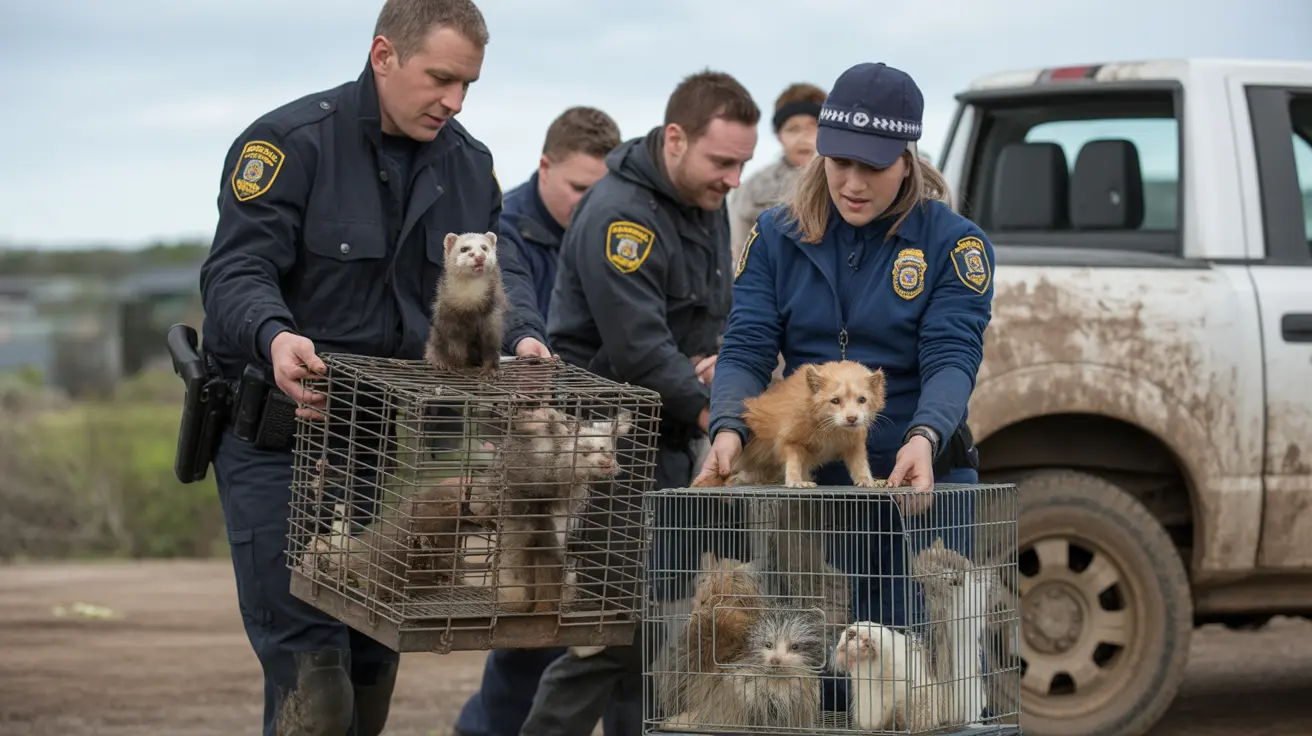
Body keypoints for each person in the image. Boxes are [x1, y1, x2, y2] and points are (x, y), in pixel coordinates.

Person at [197, 2, 550, 733]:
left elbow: (496, 281)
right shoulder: (289, 144)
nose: (454, 101)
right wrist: (274, 335)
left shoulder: (467, 164)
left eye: (468, 86)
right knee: (314, 671)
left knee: (369, 659)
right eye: (442, 79)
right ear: (384, 55)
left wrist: (525, 343)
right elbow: (236, 273)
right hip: (278, 438)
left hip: (379, 445)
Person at [693, 61, 993, 713]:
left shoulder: (954, 245)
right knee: (817, 674)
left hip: (923, 480)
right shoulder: (775, 235)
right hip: (818, 491)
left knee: (916, 677)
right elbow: (746, 344)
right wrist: (729, 428)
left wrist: (924, 433)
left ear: (907, 159)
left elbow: (951, 354)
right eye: (839, 163)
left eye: (874, 166)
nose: (853, 183)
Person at [519, 69, 761, 736]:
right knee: (605, 635)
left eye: (743, 163)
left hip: (672, 440)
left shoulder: (703, 202)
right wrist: (720, 413)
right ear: (676, 139)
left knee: (659, 639)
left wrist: (719, 360)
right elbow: (639, 351)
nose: (734, 180)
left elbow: (716, 311)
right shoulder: (618, 216)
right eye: (722, 162)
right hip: (608, 452)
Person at [452, 104, 622, 736]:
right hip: (524, 438)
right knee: (530, 627)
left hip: (590, 437)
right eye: (578, 188)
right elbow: (511, 297)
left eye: (599, 192)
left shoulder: (608, 228)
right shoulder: (506, 232)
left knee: (597, 620)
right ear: (545, 165)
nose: (587, 204)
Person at [727, 82, 827, 264]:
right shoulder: (753, 189)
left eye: (812, 126)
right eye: (793, 129)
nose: (802, 137)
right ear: (779, 135)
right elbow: (739, 252)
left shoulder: (844, 182)